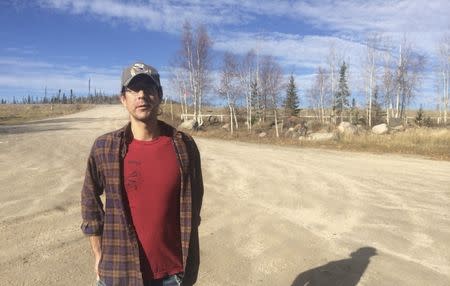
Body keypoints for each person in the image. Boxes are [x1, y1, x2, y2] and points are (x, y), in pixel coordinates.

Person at [81, 62, 204, 286]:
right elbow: (89, 199)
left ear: (159, 95)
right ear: (122, 98)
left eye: (149, 88)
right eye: (133, 89)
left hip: (173, 275)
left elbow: (195, 202)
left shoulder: (184, 145)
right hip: (119, 272)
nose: (141, 95)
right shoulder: (105, 148)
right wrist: (97, 251)